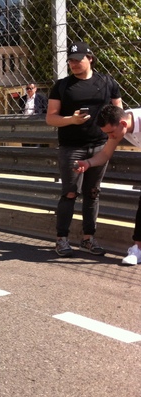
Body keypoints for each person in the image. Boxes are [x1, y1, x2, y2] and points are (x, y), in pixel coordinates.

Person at [45, 41, 122, 257]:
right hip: (72, 148)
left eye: (78, 59)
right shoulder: (62, 86)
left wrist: (114, 134)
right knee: (70, 193)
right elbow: (51, 118)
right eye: (71, 60)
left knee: (93, 193)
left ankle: (88, 239)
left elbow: (119, 112)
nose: (74, 64)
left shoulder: (107, 82)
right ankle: (61, 239)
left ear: (90, 59)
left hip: (99, 145)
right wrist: (72, 120)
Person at [74, 105, 141, 265]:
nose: (110, 136)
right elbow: (105, 153)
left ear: (123, 124)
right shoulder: (120, 126)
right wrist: (88, 163)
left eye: (111, 133)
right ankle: (138, 249)